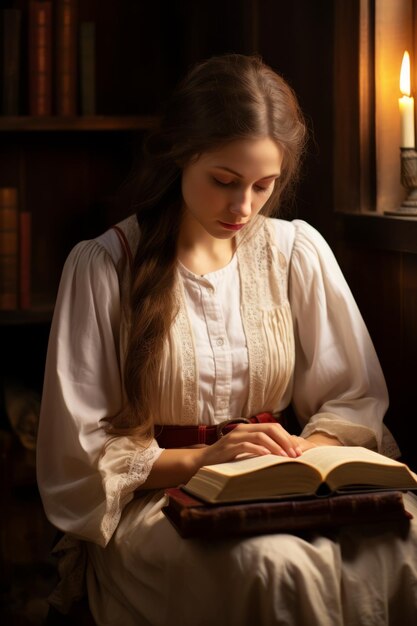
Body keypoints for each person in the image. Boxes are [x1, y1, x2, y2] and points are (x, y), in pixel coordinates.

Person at [37, 53, 417, 626]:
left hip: (277, 482)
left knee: (396, 546)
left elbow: (353, 398)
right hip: (156, 503)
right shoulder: (103, 266)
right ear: (180, 154)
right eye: (224, 181)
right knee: (276, 570)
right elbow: (79, 457)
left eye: (264, 186)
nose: (243, 207)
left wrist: (299, 453)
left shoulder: (295, 252)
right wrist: (205, 460)